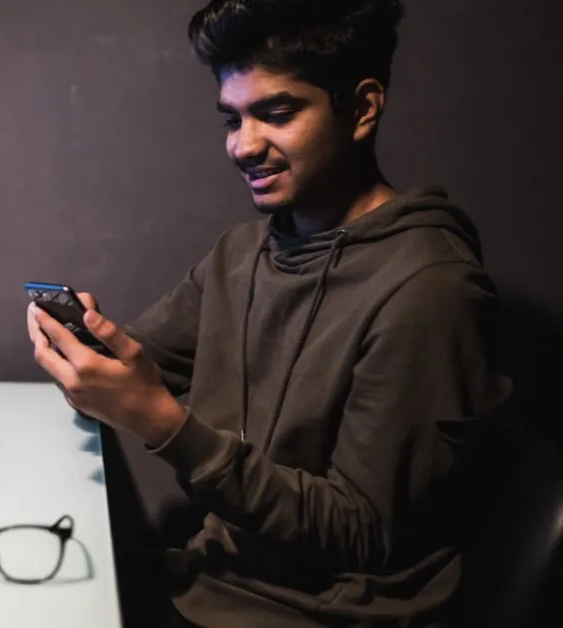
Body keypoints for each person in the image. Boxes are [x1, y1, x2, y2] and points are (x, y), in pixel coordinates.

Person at [26, 0, 512, 626]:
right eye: (233, 119)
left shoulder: (432, 290)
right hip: (211, 576)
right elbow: (138, 369)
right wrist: (89, 353)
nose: (244, 145)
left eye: (277, 114)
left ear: (363, 108)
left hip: (314, 614)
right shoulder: (242, 253)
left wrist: (163, 423)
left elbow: (362, 534)